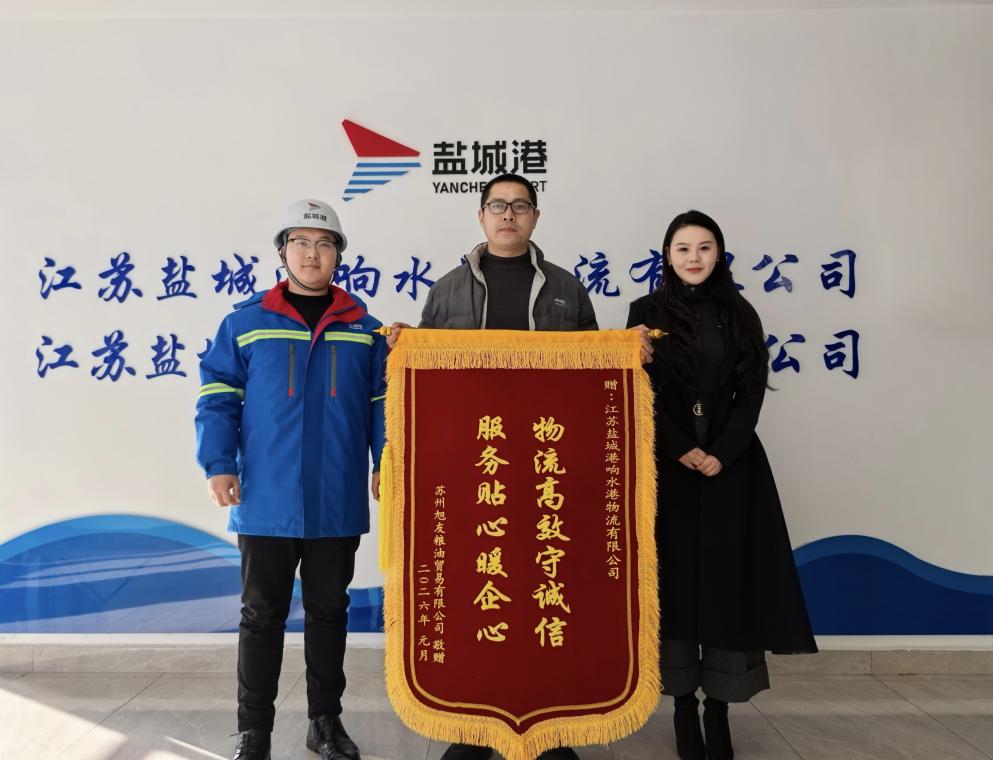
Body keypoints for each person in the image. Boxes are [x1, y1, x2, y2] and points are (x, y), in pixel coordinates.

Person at [388, 173, 609, 760]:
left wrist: (627, 352)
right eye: (497, 205)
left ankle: (551, 728)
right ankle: (472, 728)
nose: (508, 215)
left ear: (535, 216)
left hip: (544, 470)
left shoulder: (565, 289)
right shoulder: (448, 289)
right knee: (475, 591)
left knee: (546, 590)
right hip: (472, 470)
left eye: (520, 206)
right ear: (480, 216)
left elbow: (595, 374)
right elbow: (425, 383)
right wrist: (407, 347)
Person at [196, 199, 387, 760]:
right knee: (261, 616)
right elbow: (217, 397)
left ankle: (325, 723)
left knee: (329, 613)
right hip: (266, 496)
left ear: (338, 255)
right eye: (300, 242)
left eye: (324, 243)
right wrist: (219, 463)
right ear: (283, 252)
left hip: (335, 496)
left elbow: (383, 405)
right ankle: (253, 730)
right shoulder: (245, 322)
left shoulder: (365, 328)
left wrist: (387, 461)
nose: (312, 253)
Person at [627, 210, 816, 760]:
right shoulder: (644, 314)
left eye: (704, 247)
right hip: (666, 468)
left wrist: (723, 452)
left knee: (728, 587)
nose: (694, 258)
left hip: (731, 469)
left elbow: (751, 390)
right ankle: (684, 707)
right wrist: (678, 447)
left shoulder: (740, 311)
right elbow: (638, 387)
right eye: (683, 248)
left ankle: (720, 709)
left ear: (719, 253)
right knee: (675, 585)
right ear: (667, 256)